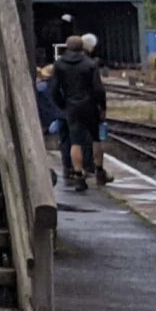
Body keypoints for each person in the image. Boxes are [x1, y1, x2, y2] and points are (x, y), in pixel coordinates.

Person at [45, 32, 108, 191]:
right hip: (90, 106)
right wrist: (102, 107)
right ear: (82, 47)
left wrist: (63, 104)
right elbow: (98, 89)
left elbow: (53, 89)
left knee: (75, 141)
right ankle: (99, 171)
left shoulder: (59, 64)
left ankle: (78, 175)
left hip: (71, 107)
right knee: (95, 138)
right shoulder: (90, 64)